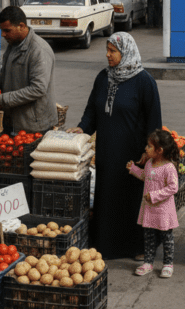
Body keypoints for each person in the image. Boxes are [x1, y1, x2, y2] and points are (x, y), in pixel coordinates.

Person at [69, 32, 163, 259]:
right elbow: (92, 109)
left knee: (131, 200)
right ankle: (106, 244)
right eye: (107, 50)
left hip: (132, 154)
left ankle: (137, 247)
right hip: (107, 152)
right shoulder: (103, 77)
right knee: (107, 196)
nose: (108, 55)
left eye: (113, 51)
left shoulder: (144, 82)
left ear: (126, 52)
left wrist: (149, 152)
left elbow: (154, 122)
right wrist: (82, 128)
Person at [0, 6, 57, 132]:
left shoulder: (39, 50)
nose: (3, 35)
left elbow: (38, 89)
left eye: (7, 30)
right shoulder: (13, 45)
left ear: (21, 26)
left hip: (35, 124)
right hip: (13, 120)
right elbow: (6, 75)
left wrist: (1, 100)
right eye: (1, 30)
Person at [127, 129, 180, 277]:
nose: (145, 148)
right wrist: (134, 169)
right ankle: (148, 262)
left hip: (163, 211)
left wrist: (155, 195)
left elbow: (173, 187)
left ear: (159, 150)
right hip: (149, 210)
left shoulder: (169, 168)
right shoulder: (149, 163)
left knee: (166, 238)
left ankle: (168, 264)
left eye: (149, 146)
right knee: (148, 237)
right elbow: (146, 176)